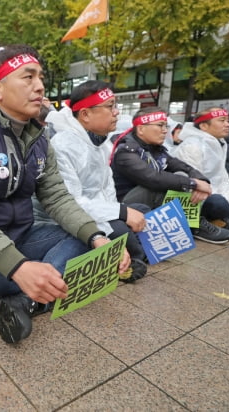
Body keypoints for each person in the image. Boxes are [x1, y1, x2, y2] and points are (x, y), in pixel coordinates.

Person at [0, 44, 130, 344]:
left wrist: (97, 237)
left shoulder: (41, 139)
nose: (40, 86)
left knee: (86, 240)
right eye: (28, 77)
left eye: (40, 77)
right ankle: (36, 285)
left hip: (24, 234)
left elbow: (58, 198)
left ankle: (22, 298)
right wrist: (17, 265)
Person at [40, 80, 149, 281]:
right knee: (121, 229)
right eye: (110, 106)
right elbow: (70, 204)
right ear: (85, 114)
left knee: (141, 211)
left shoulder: (101, 144)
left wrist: (120, 212)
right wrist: (121, 213)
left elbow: (107, 189)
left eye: (115, 106)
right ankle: (130, 257)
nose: (117, 112)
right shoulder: (63, 146)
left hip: (99, 211)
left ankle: (132, 253)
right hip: (67, 219)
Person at [110, 106, 229, 244]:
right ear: (140, 129)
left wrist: (201, 180)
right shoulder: (126, 152)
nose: (165, 130)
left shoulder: (156, 149)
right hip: (126, 207)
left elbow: (182, 166)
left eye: (166, 126)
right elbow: (152, 178)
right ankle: (193, 225)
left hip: (150, 203)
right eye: (160, 125)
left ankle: (196, 221)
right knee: (160, 185)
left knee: (182, 176)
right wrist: (193, 184)